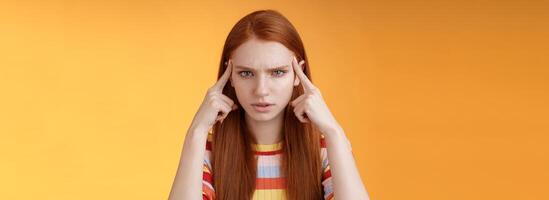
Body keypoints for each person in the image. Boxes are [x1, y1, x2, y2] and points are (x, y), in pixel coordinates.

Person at [168, 10, 370, 200]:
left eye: (277, 72)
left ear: (298, 75)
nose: (261, 90)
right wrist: (196, 131)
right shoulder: (206, 151)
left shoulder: (325, 150)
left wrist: (334, 132)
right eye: (246, 73)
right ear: (229, 76)